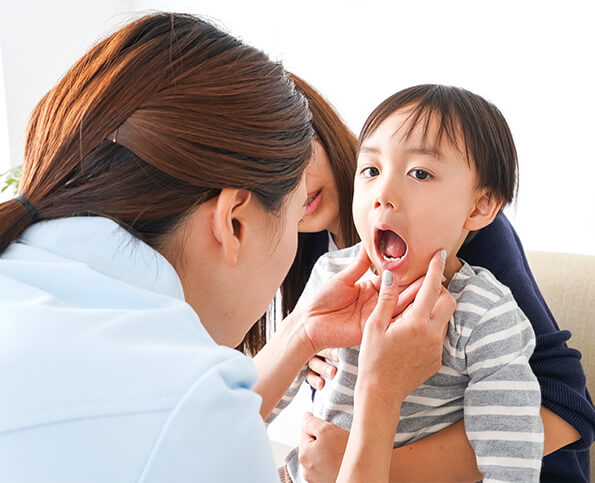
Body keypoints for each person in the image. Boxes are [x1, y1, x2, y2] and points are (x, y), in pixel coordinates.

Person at [0, 13, 456, 483]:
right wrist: (380, 395)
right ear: (234, 222)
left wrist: (303, 331)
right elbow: (194, 423)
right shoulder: (193, 409)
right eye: (295, 212)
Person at [255, 75, 593, 481]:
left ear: (481, 207)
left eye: (419, 173)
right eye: (372, 170)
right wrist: (302, 342)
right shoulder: (328, 269)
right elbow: (246, 409)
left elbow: (512, 453)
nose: (384, 191)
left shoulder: (483, 309)